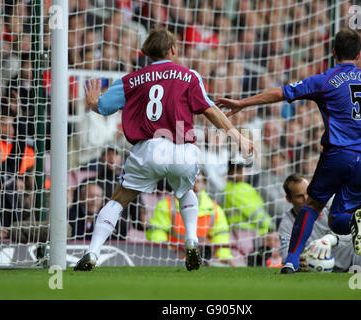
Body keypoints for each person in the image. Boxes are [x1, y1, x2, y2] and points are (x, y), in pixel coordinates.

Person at [216, 28, 361, 274]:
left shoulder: (325, 80)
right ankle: (355, 222)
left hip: (339, 153)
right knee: (338, 218)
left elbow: (282, 92)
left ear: (333, 53)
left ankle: (290, 260)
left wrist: (242, 103)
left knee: (312, 205)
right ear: (360, 55)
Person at [74, 28, 254, 271]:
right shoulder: (189, 76)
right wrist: (236, 135)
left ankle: (92, 252)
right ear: (173, 49)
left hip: (147, 148)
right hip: (182, 149)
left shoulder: (130, 80)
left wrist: (93, 102)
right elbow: (209, 109)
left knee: (119, 199)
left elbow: (104, 108)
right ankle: (191, 240)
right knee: (186, 190)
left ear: (147, 52)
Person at [146, 172, 234, 266]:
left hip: (199, 258)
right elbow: (157, 234)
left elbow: (220, 237)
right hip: (170, 258)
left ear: (204, 185)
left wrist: (224, 258)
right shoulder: (166, 205)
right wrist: (169, 254)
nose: (195, 186)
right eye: (192, 182)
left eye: (199, 182)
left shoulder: (214, 210)